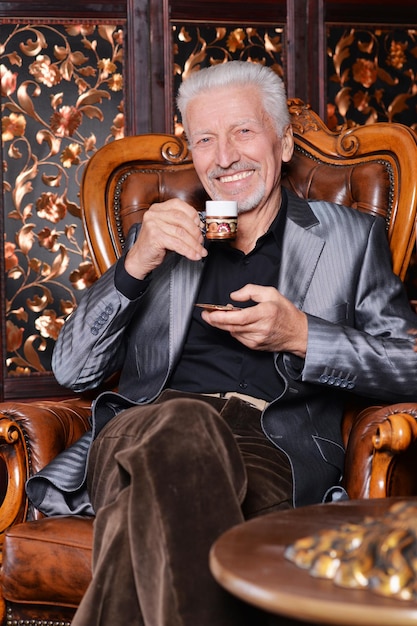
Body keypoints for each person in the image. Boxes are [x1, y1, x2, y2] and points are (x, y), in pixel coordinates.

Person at [27, 60, 417, 625]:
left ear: (283, 144)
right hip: (143, 429)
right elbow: (72, 369)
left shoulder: (350, 238)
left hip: (272, 445)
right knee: (183, 424)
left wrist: (303, 335)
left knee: (146, 514)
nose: (224, 156)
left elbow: (409, 363)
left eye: (242, 132)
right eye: (205, 139)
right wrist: (134, 267)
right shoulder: (159, 238)